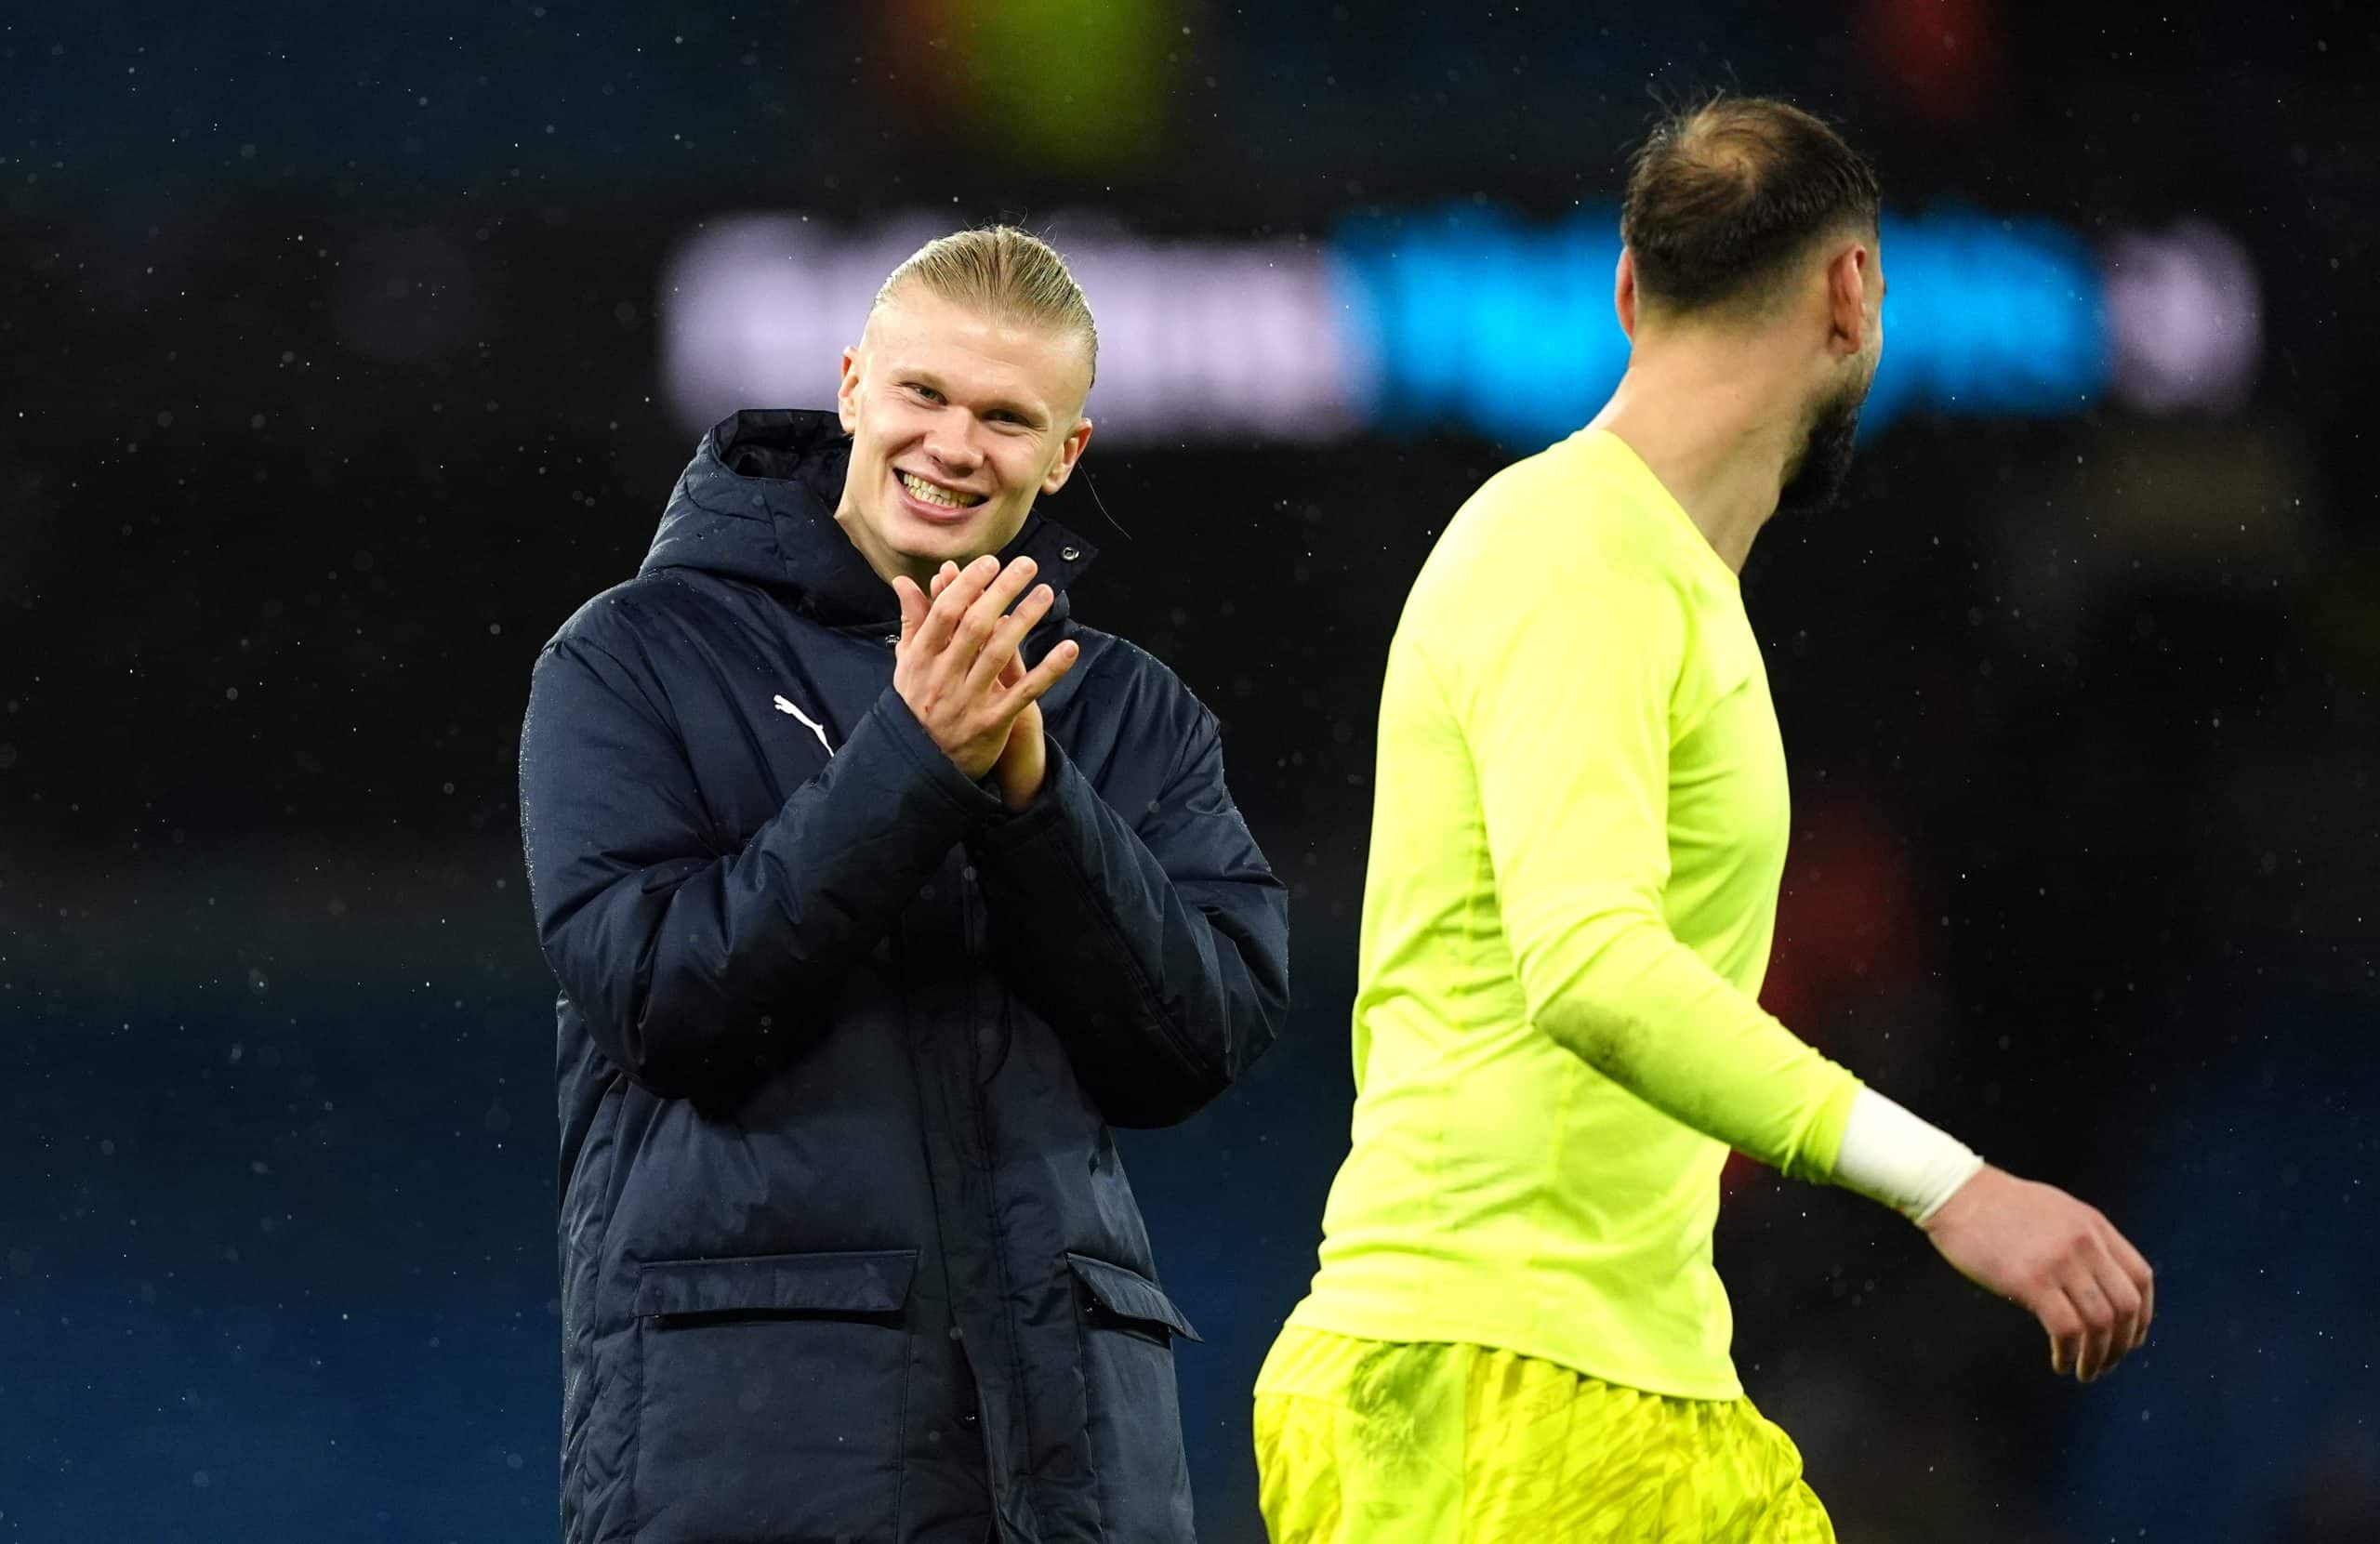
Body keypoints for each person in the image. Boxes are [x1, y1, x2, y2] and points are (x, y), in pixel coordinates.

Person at [1253, 96, 2155, 1542]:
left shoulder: (1657, 581)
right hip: (1489, 1390)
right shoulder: (1572, 548)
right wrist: (1954, 1186)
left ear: (1625, 289)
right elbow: (1591, 962)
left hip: (1624, 1384)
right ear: (1851, 294)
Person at [520, 226, 1290, 1544]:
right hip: (753, 1460)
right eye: (923, 394)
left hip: (1072, 1474)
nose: (951, 445)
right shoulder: (632, 657)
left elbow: (1194, 1043)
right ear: (850, 387)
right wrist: (915, 761)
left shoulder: (1125, 712)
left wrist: (1037, 805)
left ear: (1066, 455)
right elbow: (666, 1000)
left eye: (1006, 417)